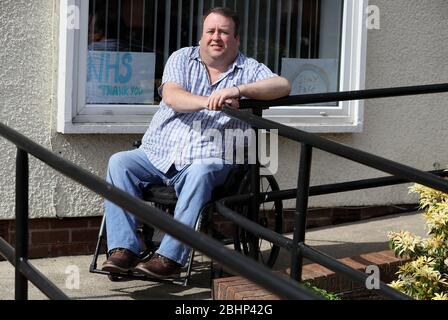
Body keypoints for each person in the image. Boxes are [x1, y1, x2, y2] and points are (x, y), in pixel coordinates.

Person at [102, 7, 291, 279]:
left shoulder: (248, 69)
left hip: (209, 158)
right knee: (119, 162)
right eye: (210, 31)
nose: (216, 37)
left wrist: (238, 90)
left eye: (224, 32)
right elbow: (172, 96)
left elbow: (282, 85)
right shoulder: (182, 58)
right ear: (202, 36)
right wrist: (211, 102)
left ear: (236, 39)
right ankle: (123, 249)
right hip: (159, 153)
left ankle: (169, 258)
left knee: (201, 171)